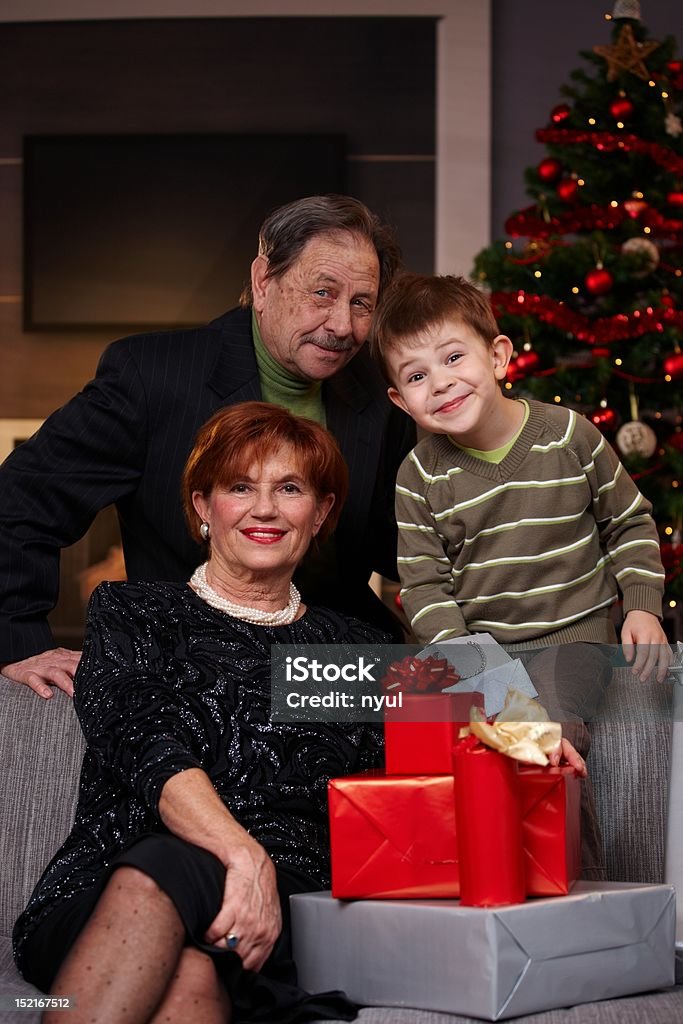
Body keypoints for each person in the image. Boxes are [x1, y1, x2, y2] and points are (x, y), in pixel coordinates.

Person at [13, 402, 389, 1024]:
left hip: (282, 911)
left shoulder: (354, 651)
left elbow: (496, 704)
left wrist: (533, 724)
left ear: (320, 513)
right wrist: (243, 856)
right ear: (202, 506)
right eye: (240, 487)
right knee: (168, 881)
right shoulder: (136, 613)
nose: (264, 509)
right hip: (119, 885)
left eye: (289, 488)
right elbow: (147, 742)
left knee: (191, 966)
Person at [0, 194, 415, 697]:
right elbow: (18, 502)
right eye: (322, 293)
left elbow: (402, 548)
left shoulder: (380, 390)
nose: (342, 326)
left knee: (482, 694)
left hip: (329, 666)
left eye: (361, 303)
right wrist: (19, 642)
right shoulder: (152, 377)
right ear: (264, 281)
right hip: (193, 667)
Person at [370, 272, 672, 877]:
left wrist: (642, 605)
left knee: (545, 739)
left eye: (454, 357)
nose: (442, 383)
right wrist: (471, 667)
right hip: (479, 652)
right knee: (431, 739)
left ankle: (582, 897)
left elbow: (629, 522)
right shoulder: (420, 477)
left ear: (500, 356)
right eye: (417, 375)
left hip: (571, 641)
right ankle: (481, 887)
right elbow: (425, 588)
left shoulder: (567, 435)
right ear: (401, 400)